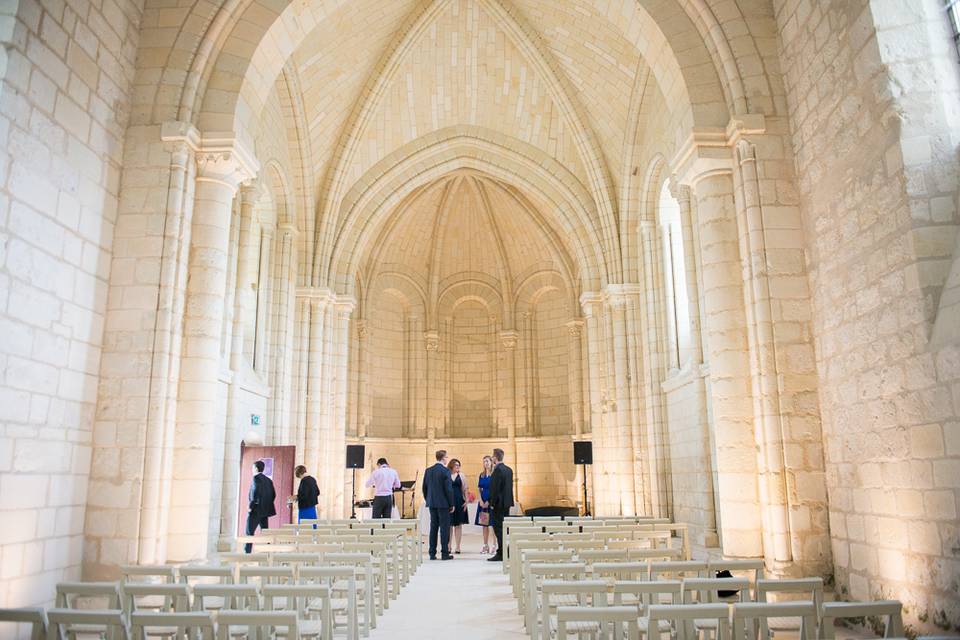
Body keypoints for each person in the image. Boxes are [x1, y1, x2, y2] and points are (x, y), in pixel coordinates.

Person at [422, 449, 455, 560]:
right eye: (447, 457)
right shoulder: (445, 471)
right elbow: (448, 490)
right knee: (444, 529)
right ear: (443, 458)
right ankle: (445, 553)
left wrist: (428, 499)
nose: (447, 459)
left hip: (432, 503)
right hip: (444, 504)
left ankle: (432, 553)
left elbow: (424, 488)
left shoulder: (428, 470)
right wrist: (451, 504)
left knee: (433, 527)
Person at [487, 447, 514, 562]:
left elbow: (495, 489)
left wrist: (492, 503)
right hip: (506, 503)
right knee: (503, 528)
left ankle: (502, 552)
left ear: (495, 457)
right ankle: (504, 551)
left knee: (498, 528)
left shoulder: (497, 470)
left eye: (492, 456)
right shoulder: (509, 469)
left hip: (498, 504)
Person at [245, 460, 277, 553]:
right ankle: (268, 551)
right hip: (265, 511)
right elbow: (274, 494)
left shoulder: (255, 478)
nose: (252, 469)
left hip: (256, 511)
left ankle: (247, 553)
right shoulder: (268, 480)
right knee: (265, 532)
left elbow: (255, 493)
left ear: (255, 468)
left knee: (249, 532)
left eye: (252, 467)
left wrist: (250, 506)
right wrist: (266, 504)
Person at [447, 458, 469, 554]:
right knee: (449, 525)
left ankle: (458, 547)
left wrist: (467, 501)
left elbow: (465, 489)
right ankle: (448, 546)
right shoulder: (447, 475)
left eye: (459, 465)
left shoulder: (461, 475)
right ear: (451, 465)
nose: (458, 467)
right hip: (449, 502)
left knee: (458, 525)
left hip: (459, 501)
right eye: (456, 465)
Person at [475, 455, 495, 554]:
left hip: (491, 502)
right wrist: (481, 501)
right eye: (484, 462)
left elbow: (494, 490)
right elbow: (479, 489)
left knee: (493, 525)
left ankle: (495, 545)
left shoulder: (494, 474)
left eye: (487, 461)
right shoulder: (482, 475)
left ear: (491, 462)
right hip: (482, 503)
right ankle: (485, 545)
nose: (485, 463)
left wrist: (488, 501)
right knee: (484, 525)